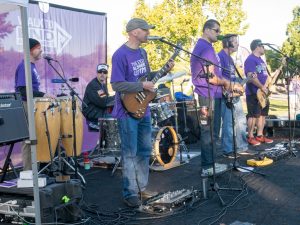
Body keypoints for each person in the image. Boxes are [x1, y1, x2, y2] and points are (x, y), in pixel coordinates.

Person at [110, 18, 174, 207]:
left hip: (143, 108)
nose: (148, 33)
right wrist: (141, 85)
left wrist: (163, 70)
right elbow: (116, 84)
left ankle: (142, 188)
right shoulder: (120, 54)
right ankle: (129, 192)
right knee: (130, 152)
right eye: (145, 30)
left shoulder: (143, 52)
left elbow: (146, 78)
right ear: (134, 32)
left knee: (145, 151)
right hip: (126, 110)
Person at [190, 19, 243, 175]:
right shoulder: (205, 48)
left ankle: (211, 164)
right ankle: (207, 167)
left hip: (212, 94)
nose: (219, 34)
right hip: (207, 94)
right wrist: (228, 84)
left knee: (212, 132)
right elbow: (211, 77)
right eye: (216, 30)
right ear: (207, 30)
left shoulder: (207, 47)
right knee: (208, 132)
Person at [15, 38, 54, 170]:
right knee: (28, 139)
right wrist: (43, 95)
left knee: (35, 138)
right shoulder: (24, 66)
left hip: (33, 105)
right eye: (38, 47)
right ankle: (28, 173)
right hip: (26, 105)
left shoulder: (32, 66)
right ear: (31, 50)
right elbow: (22, 90)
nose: (41, 50)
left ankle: (35, 172)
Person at [217, 34, 249, 158]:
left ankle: (242, 147)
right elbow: (219, 77)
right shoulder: (220, 56)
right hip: (227, 95)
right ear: (228, 43)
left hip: (234, 94)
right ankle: (227, 150)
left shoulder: (230, 58)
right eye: (235, 42)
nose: (237, 44)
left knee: (241, 121)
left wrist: (243, 82)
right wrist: (231, 87)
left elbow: (231, 76)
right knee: (228, 123)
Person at [244, 39, 273, 146]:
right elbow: (251, 77)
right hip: (253, 92)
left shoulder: (261, 60)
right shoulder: (250, 59)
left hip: (263, 92)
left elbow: (265, 75)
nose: (264, 48)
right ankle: (250, 136)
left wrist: (266, 87)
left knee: (262, 114)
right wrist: (261, 87)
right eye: (263, 46)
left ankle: (260, 135)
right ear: (257, 47)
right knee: (253, 115)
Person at [82, 63, 115, 129]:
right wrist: (117, 97)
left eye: (105, 72)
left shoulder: (103, 84)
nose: (102, 74)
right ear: (97, 73)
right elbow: (104, 102)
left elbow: (106, 99)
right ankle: (110, 137)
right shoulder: (94, 85)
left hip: (99, 112)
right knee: (115, 119)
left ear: (107, 74)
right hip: (93, 116)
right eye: (100, 72)